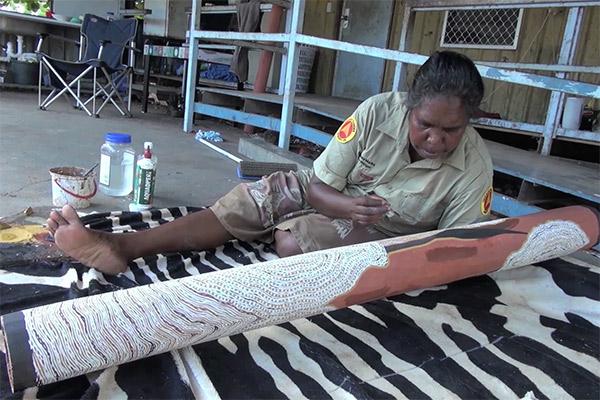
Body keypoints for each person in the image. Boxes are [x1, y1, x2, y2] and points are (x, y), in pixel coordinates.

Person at [47, 50, 493, 275]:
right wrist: (345, 208)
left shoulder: (474, 169)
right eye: (425, 124)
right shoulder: (379, 111)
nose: (435, 139)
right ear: (410, 107)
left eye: (450, 131)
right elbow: (318, 185)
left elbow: (460, 252)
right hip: (329, 195)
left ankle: (288, 236)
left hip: (382, 237)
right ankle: (123, 247)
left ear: (468, 122)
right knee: (249, 202)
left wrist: (372, 238)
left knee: (292, 243)